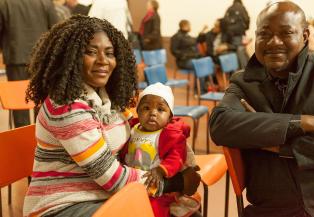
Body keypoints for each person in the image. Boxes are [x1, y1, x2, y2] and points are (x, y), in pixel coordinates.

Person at [23, 15, 201, 217]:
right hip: (62, 205)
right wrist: (176, 182)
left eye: (109, 53)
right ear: (70, 57)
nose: (103, 61)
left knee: (188, 212)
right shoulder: (65, 107)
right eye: (90, 52)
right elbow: (114, 179)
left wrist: (184, 162)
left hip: (103, 195)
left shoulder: (107, 99)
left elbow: (148, 130)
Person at [209, 1, 314, 217]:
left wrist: (279, 147)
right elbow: (220, 124)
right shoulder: (244, 81)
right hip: (270, 207)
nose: (274, 42)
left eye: (285, 33)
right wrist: (302, 122)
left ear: (305, 36)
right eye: (265, 34)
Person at [122, 82, 200, 217]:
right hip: (131, 183)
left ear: (170, 117)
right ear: (138, 111)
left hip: (158, 187)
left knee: (154, 211)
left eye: (160, 109)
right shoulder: (132, 129)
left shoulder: (169, 135)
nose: (152, 113)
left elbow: (177, 157)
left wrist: (160, 170)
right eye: (146, 108)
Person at [0, 0, 59, 128]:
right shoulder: (46, 2)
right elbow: (57, 29)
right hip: (42, 58)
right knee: (42, 99)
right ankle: (43, 134)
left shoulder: (4, 3)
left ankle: (22, 137)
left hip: (16, 57)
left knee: (19, 101)